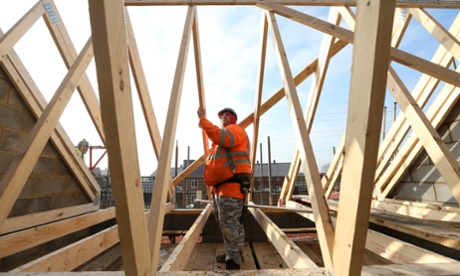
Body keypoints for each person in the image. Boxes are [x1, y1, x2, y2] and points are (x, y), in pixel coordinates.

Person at [197, 107, 251, 270]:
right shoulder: (218, 143)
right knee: (229, 224)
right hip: (221, 188)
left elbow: (222, 137)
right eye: (221, 116)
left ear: (234, 119)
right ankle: (233, 253)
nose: (224, 117)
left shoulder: (234, 130)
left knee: (230, 225)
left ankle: (233, 263)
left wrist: (203, 121)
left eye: (227, 115)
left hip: (231, 188)